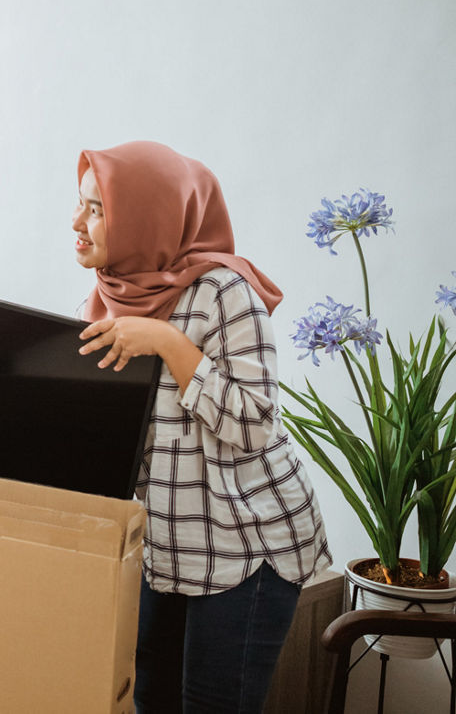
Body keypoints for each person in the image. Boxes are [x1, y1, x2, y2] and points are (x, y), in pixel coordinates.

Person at [72, 141, 331, 713]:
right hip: (168, 543)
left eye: (96, 209)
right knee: (150, 699)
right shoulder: (108, 298)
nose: (77, 223)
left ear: (145, 217)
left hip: (247, 542)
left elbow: (254, 423)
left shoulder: (225, 294)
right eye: (80, 205)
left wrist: (166, 342)